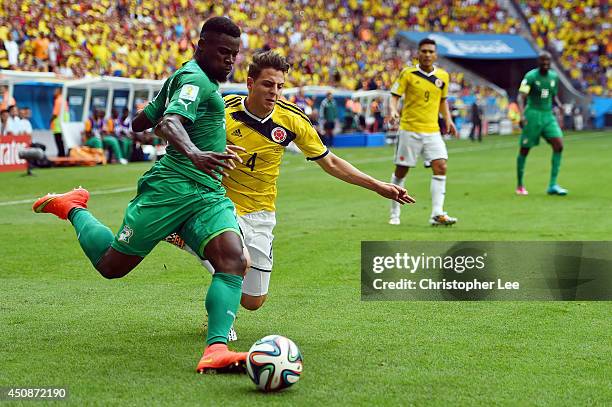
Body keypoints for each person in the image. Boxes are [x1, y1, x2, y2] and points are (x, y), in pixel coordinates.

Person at [32, 17, 249, 374]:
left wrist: (195, 135)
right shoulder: (195, 80)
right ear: (201, 45)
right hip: (171, 190)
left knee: (233, 260)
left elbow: (143, 121)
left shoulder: (186, 77)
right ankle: (71, 207)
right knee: (111, 266)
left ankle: (216, 349)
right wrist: (194, 151)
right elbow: (168, 123)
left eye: (235, 55)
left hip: (208, 192)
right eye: (223, 52)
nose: (229, 60)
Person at [165, 50, 414, 340]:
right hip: (220, 203)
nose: (274, 92)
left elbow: (331, 162)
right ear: (250, 83)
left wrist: (378, 186)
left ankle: (189, 242)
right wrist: (211, 149)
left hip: (261, 212)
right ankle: (220, 323)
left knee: (254, 301)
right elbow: (175, 132)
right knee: (236, 262)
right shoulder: (223, 108)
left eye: (279, 86)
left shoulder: (292, 120)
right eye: (267, 84)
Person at [387, 38, 458, 226]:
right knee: (401, 171)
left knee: (441, 166)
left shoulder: (443, 76)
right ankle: (394, 213)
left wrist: (448, 120)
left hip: (432, 130)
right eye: (424, 51)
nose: (427, 54)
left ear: (435, 55)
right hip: (409, 129)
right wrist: (393, 111)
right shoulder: (408, 74)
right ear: (418, 53)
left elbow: (443, 101)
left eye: (430, 52)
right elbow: (394, 96)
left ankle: (437, 213)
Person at [516, 51, 567, 196]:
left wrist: (559, 105)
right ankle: (520, 185)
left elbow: (553, 94)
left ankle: (553, 185)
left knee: (559, 145)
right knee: (524, 149)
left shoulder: (554, 77)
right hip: (533, 114)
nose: (545, 64)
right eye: (543, 61)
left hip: (548, 115)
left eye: (548, 61)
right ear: (538, 62)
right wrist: (521, 115)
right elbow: (521, 97)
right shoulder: (531, 76)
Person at [50, 88, 69, 157]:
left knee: (58, 140)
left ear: (60, 92)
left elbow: (55, 113)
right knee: (62, 140)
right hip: (64, 123)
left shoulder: (58, 100)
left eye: (55, 91)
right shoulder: (64, 100)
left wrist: (51, 120)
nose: (54, 92)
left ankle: (61, 154)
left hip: (58, 124)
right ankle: (63, 153)